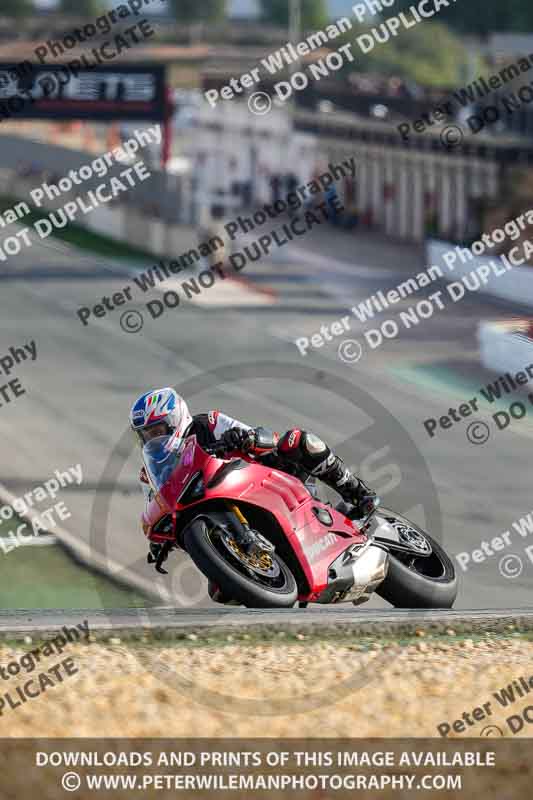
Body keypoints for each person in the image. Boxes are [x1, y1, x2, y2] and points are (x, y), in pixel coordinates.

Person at [130, 388, 377, 589]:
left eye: (157, 431)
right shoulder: (148, 474)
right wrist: (158, 541)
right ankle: (269, 576)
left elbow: (260, 436)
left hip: (265, 480)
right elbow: (157, 504)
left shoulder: (208, 424)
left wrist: (245, 438)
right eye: (147, 435)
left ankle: (358, 493)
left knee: (298, 442)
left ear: (175, 420)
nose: (153, 439)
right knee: (220, 592)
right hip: (214, 506)